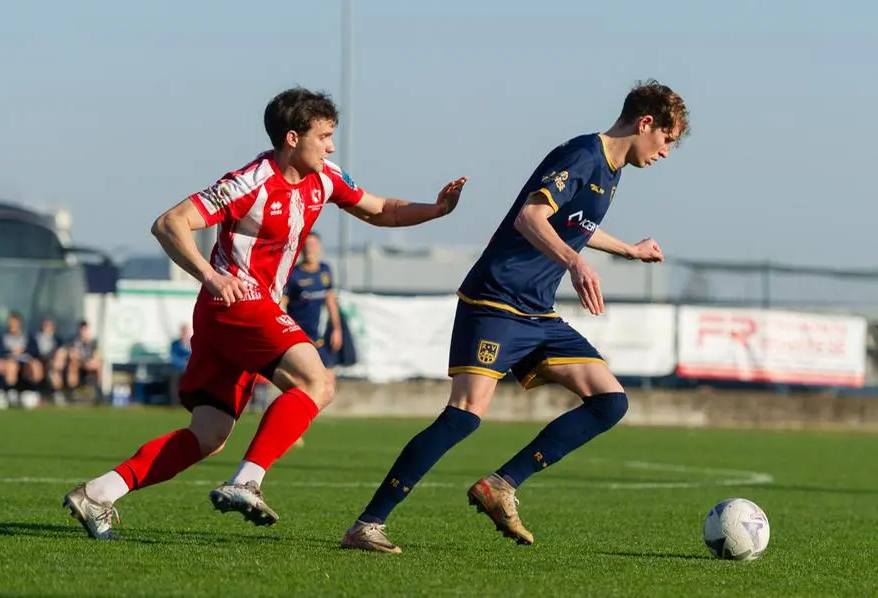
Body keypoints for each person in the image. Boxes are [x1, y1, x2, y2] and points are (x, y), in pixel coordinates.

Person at [63, 86, 467, 540]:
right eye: (325, 136)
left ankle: (98, 493)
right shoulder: (249, 181)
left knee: (208, 434)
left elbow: (382, 211)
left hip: (234, 314)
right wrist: (211, 276)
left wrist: (435, 210)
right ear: (292, 138)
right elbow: (169, 223)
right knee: (319, 382)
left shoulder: (325, 178)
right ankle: (247, 481)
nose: (332, 146)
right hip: (236, 303)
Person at [341, 79, 690, 553]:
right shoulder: (583, 155)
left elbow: (578, 224)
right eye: (667, 139)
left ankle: (502, 485)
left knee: (610, 402)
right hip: (496, 299)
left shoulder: (611, 170)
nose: (666, 152)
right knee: (463, 416)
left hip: (536, 311)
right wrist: (575, 262)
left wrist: (627, 249)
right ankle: (368, 524)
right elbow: (530, 218)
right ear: (646, 123)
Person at [282, 231, 342, 369]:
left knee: (329, 378)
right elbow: (282, 307)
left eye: (313, 244)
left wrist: (337, 329)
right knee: (306, 379)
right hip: (299, 338)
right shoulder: (293, 274)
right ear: (301, 247)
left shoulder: (325, 270)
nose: (309, 248)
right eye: (306, 244)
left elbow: (330, 299)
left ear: (319, 247)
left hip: (318, 339)